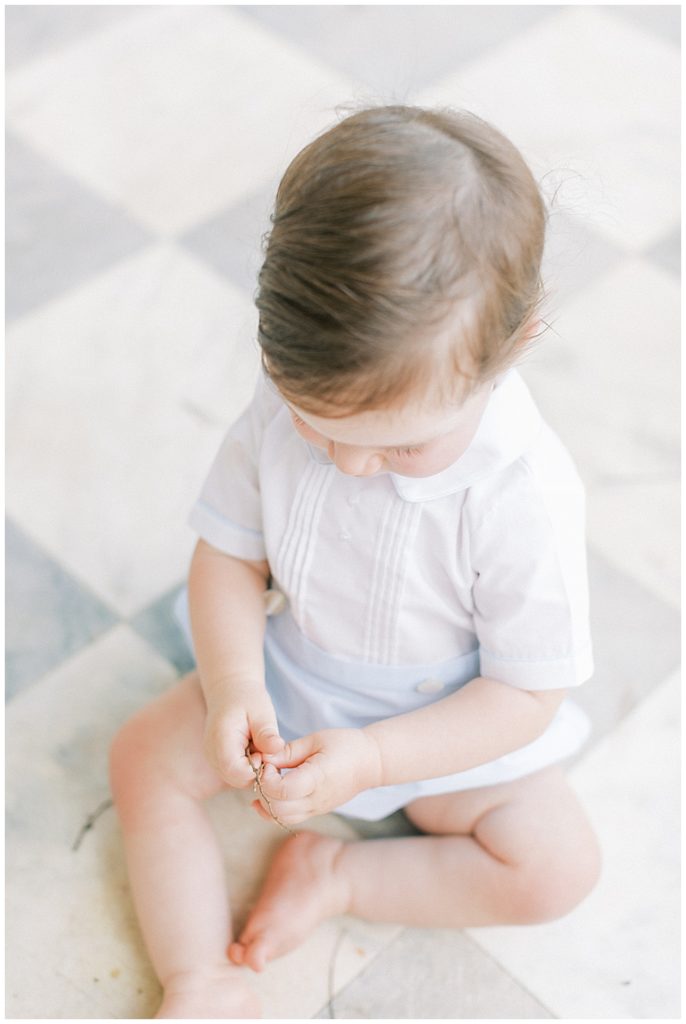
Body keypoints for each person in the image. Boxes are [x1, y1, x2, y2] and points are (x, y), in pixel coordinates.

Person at [110, 104, 602, 1019]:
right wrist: (230, 687)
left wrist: (376, 758)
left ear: (516, 348)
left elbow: (526, 696)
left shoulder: (522, 495)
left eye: (400, 447)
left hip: (450, 728)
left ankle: (339, 875)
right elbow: (227, 553)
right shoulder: (285, 397)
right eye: (316, 426)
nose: (346, 463)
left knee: (556, 870)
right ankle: (202, 976)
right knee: (142, 756)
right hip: (293, 678)